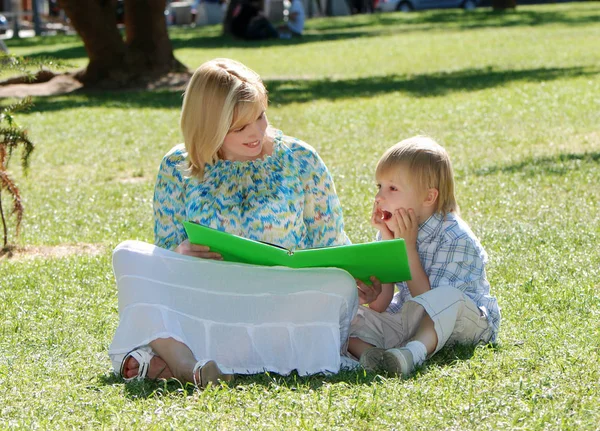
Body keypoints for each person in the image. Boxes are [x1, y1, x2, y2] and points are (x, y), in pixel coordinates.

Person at [109, 58, 355, 387]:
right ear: (207, 126)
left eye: (260, 116)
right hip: (208, 300)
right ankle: (187, 365)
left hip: (281, 300)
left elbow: (332, 244)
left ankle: (173, 357)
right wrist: (179, 254)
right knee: (128, 254)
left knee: (341, 285)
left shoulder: (301, 159)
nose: (256, 132)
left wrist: (359, 278)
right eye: (239, 127)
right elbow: (164, 254)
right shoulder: (177, 166)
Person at [347, 136, 500, 377]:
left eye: (392, 188)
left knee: (448, 297)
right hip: (412, 320)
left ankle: (412, 354)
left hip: (462, 322)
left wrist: (407, 247)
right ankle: (371, 355)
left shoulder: (454, 236)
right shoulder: (392, 231)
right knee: (347, 315)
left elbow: (430, 302)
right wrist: (387, 246)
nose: (379, 197)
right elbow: (380, 304)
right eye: (379, 187)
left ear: (428, 198)